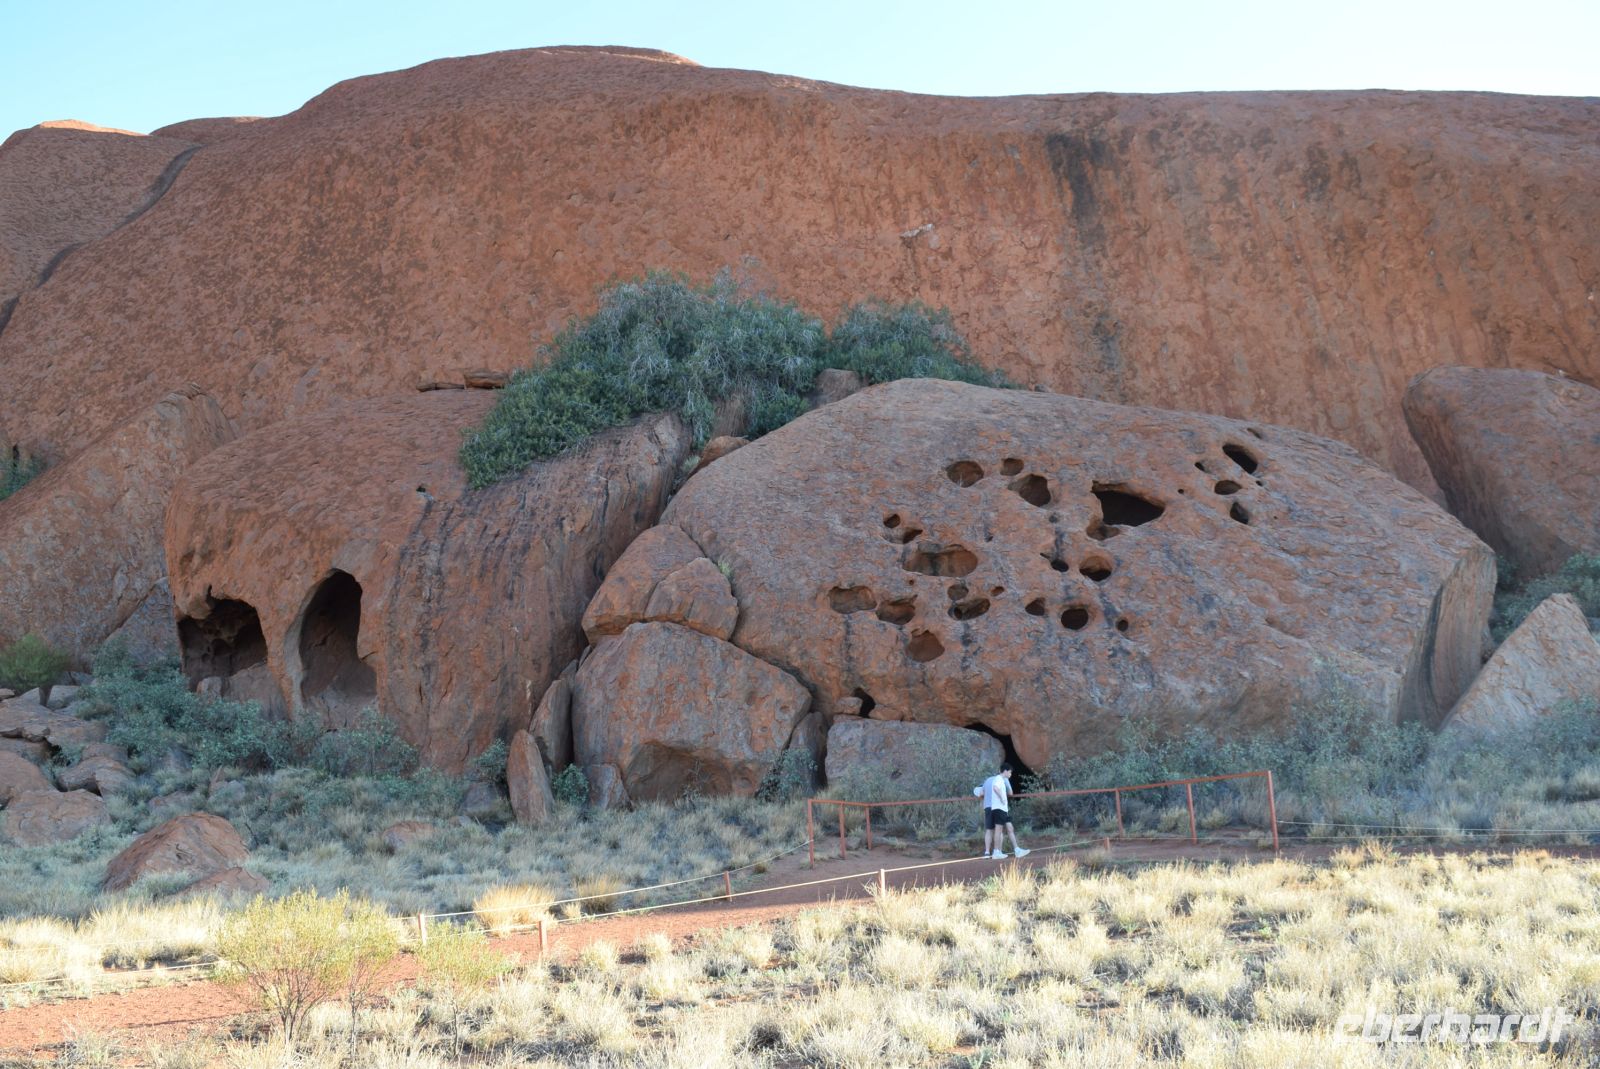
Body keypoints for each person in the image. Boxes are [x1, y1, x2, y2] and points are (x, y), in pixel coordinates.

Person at [973, 761, 1030, 860]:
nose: (1011, 774)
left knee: (990, 830)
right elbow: (1010, 793)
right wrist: (1003, 798)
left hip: (988, 807)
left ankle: (987, 852)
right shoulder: (1002, 779)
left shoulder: (987, 780)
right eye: (1010, 772)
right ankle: (998, 851)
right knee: (1001, 830)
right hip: (999, 807)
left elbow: (980, 793)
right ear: (1004, 771)